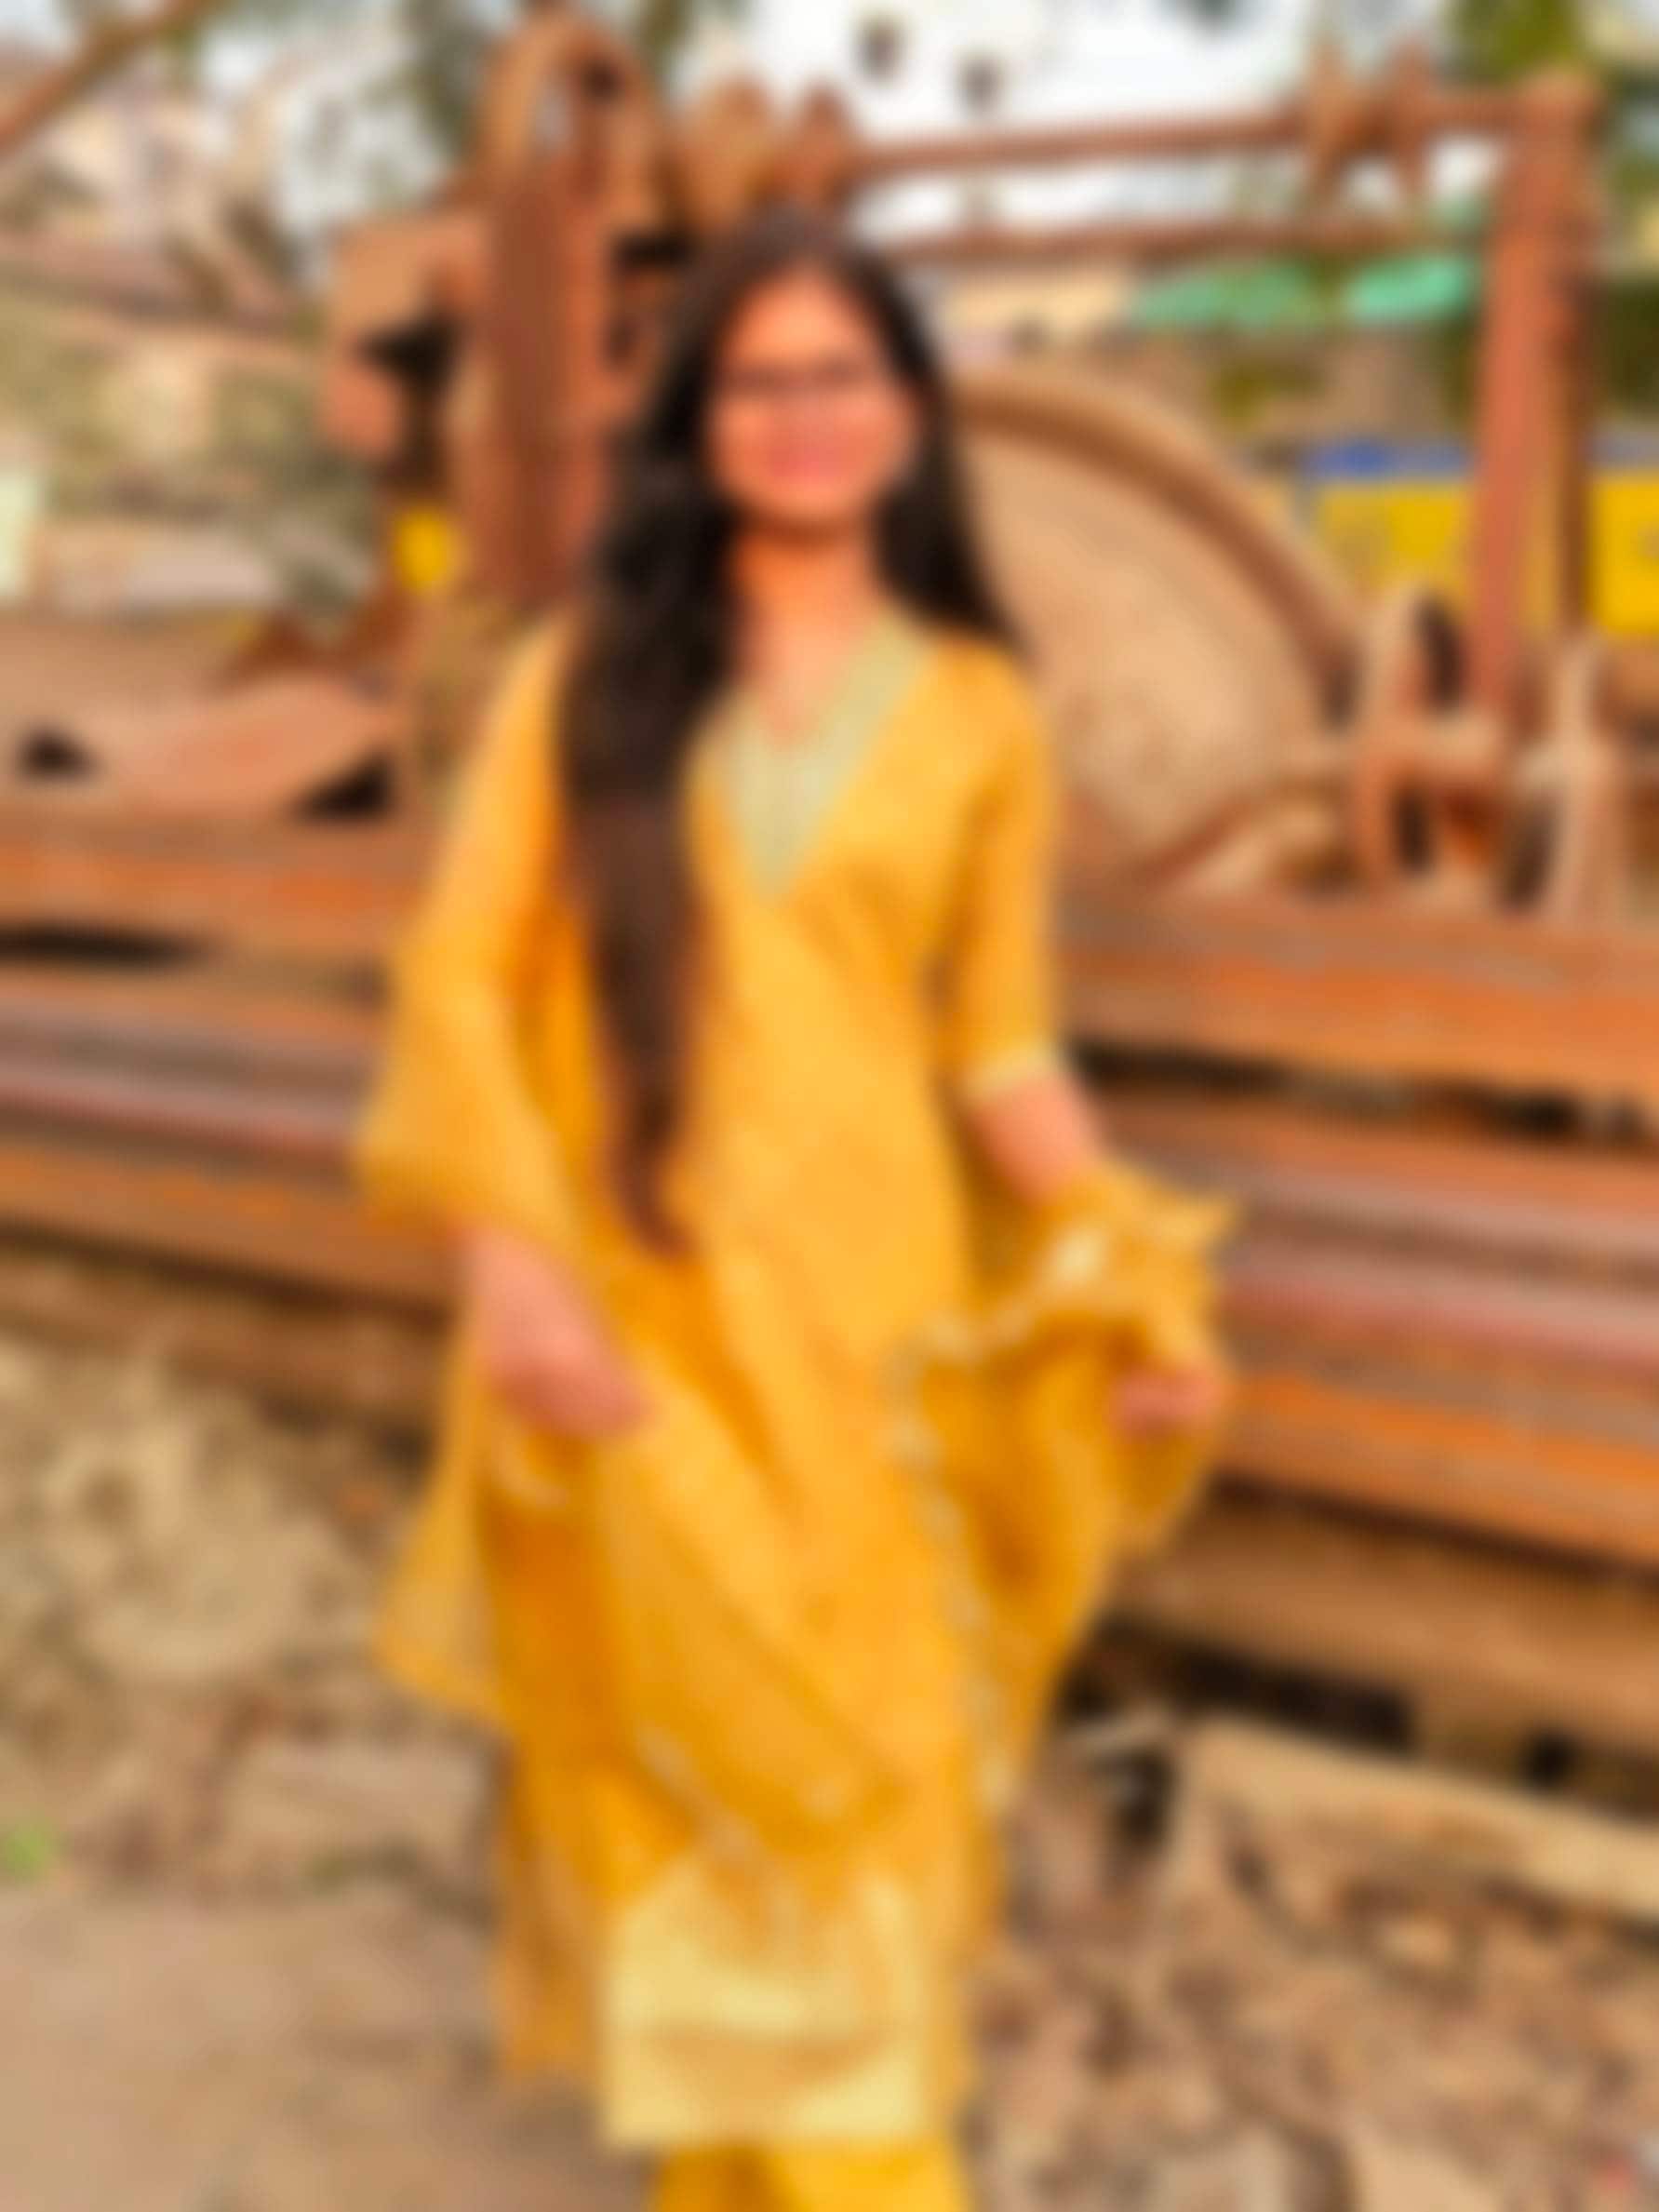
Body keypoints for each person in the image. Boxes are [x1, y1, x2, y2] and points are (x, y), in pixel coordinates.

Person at [355, 206, 1231, 2212]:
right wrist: (510, 1266)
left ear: (909, 410)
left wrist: (1120, 1268)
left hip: (870, 1320)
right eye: (757, 381)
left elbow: (1002, 1050)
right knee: (689, 1753)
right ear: (698, 425)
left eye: (841, 372)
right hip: (629, 1295)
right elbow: (459, 978)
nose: (802, 414)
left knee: (863, 1758)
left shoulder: (980, 709)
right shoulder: (588, 674)